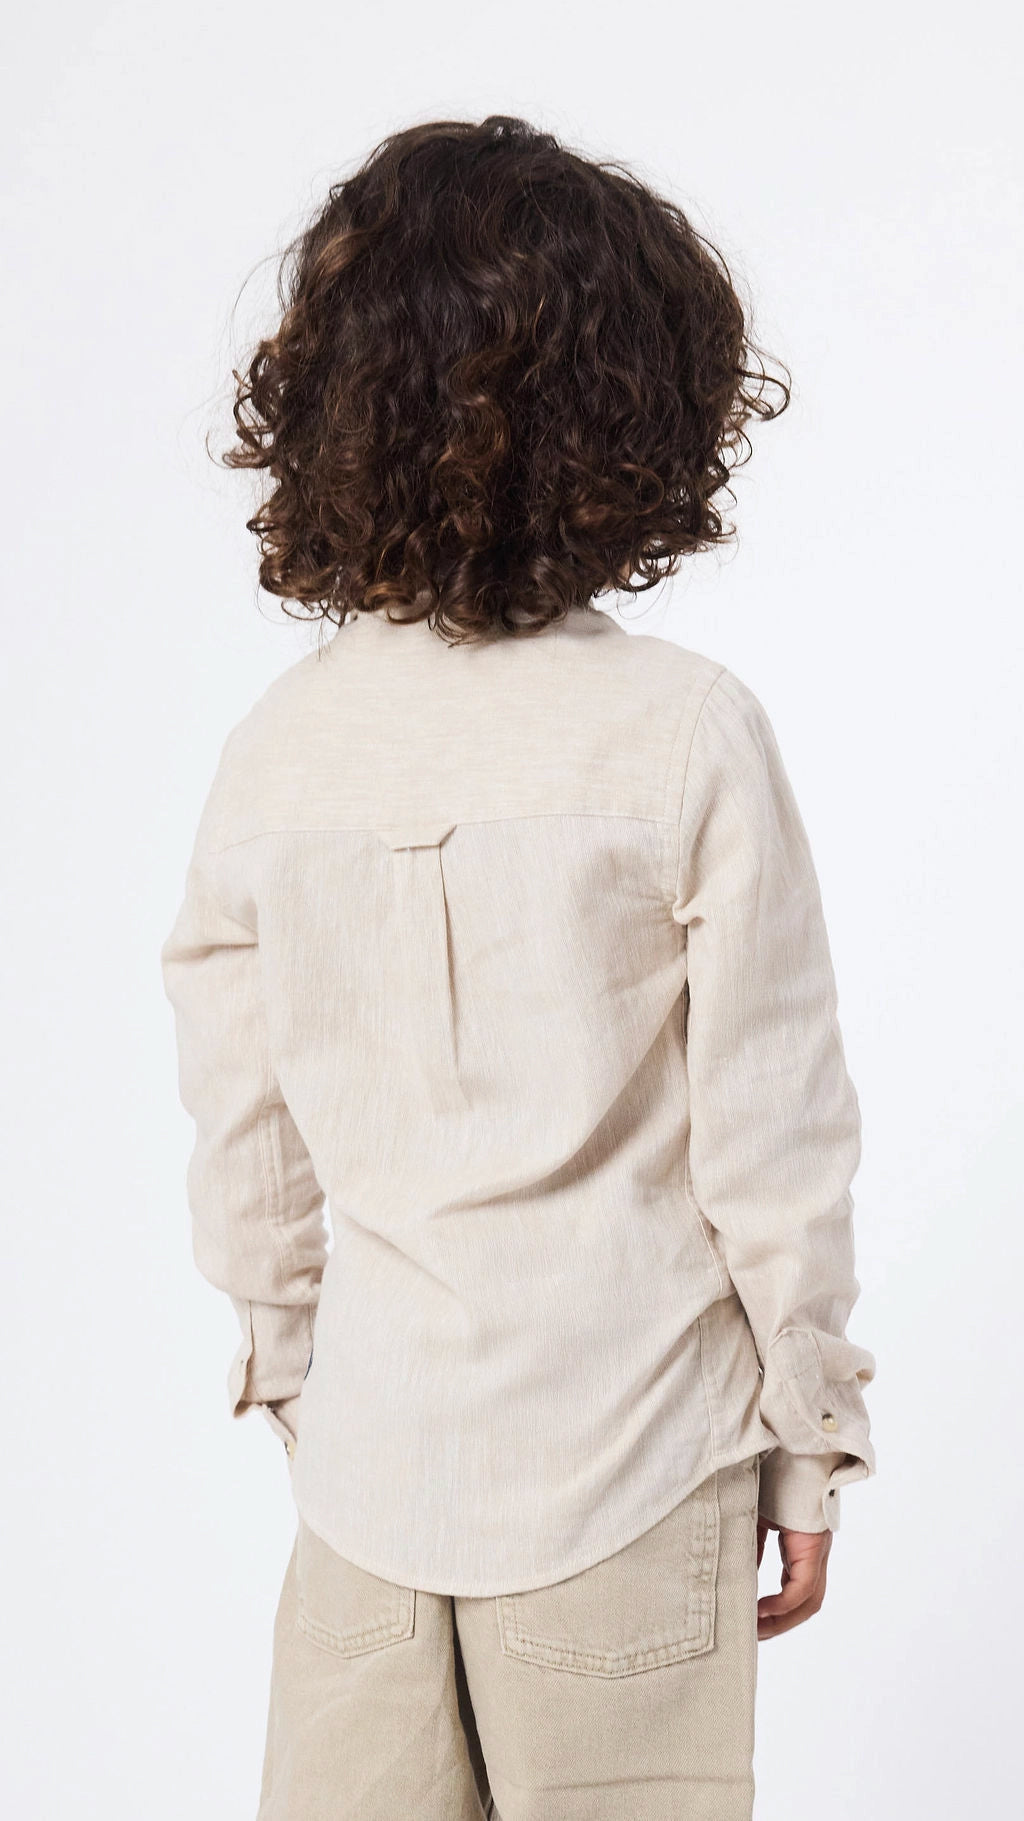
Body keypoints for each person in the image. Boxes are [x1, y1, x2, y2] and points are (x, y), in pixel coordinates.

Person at [160, 114, 876, 1821]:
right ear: (638, 410)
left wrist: (305, 1380)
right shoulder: (684, 732)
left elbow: (244, 1137)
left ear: (334, 407)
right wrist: (809, 1438)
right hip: (637, 1462)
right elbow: (773, 1135)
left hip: (368, 1489)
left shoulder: (280, 750)